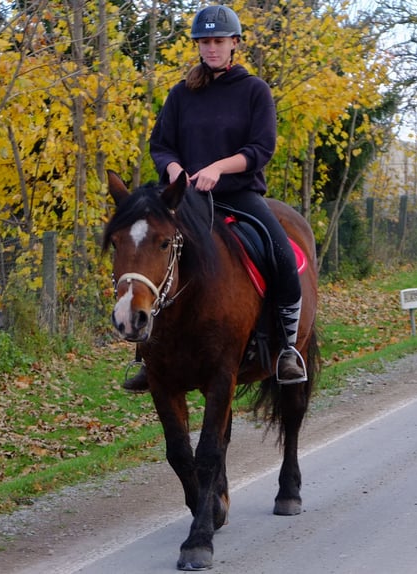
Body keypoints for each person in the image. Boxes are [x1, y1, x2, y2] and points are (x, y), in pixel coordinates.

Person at [123, 4, 307, 392]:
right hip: (184, 199)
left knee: (282, 255)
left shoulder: (254, 90)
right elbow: (161, 144)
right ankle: (147, 355)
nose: (211, 48)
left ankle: (288, 348)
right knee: (146, 251)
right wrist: (174, 170)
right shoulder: (180, 94)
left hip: (238, 194)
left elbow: (261, 148)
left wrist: (219, 168)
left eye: (218, 41)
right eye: (204, 42)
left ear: (234, 44)